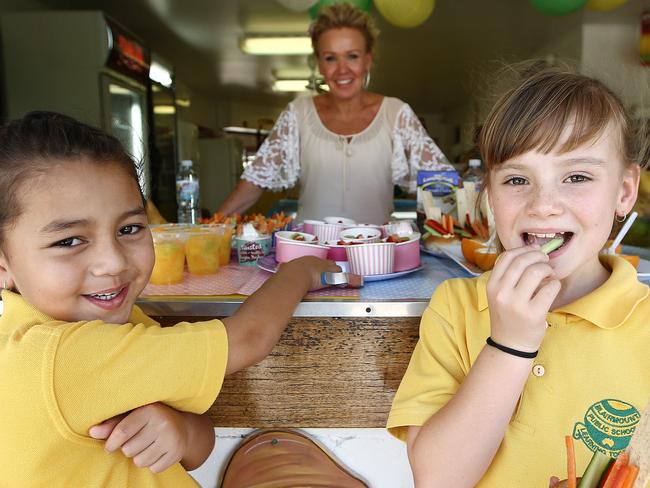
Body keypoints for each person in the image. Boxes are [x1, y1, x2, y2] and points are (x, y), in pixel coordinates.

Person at [0, 111, 340, 486]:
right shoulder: (60, 355)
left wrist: (177, 428)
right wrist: (300, 271)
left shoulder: (111, 326)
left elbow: (196, 448)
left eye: (129, 228)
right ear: (3, 263)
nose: (112, 262)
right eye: (69, 241)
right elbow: (249, 337)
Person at [386, 67, 650, 487]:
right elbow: (438, 479)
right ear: (489, 195)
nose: (543, 205)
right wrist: (510, 344)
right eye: (517, 179)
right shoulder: (457, 307)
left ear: (623, 191)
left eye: (576, 176)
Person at [217, 3, 452, 224]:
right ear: (319, 63)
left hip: (378, 257)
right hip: (309, 255)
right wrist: (208, 228)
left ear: (368, 60)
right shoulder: (297, 113)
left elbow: (443, 183)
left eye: (352, 56)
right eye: (330, 58)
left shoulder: (396, 113)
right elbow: (255, 181)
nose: (342, 69)